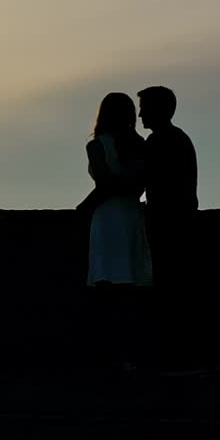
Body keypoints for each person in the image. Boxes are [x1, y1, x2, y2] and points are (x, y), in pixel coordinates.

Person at [81, 93, 152, 369]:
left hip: (108, 216)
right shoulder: (139, 144)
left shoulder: (97, 146)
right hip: (131, 213)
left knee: (107, 283)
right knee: (130, 283)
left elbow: (103, 183)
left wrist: (84, 206)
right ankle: (129, 355)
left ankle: (108, 356)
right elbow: (135, 186)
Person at [136, 85, 199, 368]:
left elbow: (144, 181)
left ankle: (171, 356)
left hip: (168, 224)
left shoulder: (160, 142)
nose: (140, 114)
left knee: (168, 289)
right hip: (178, 222)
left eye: (145, 107)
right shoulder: (178, 139)